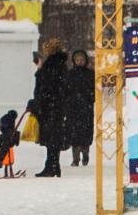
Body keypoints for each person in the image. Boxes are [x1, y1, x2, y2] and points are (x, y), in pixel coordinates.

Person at [28, 41, 74, 177]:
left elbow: (45, 85)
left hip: (50, 107)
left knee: (51, 138)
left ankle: (51, 167)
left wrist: (40, 70)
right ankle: (53, 166)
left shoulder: (51, 65)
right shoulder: (60, 65)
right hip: (56, 107)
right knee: (54, 138)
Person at [64, 49, 96, 168]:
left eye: (82, 60)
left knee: (86, 132)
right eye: (77, 60)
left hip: (86, 108)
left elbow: (94, 90)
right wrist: (68, 102)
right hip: (73, 108)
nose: (80, 62)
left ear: (85, 60)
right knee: (74, 133)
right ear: (74, 61)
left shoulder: (90, 74)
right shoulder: (70, 74)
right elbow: (66, 90)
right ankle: (75, 158)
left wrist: (90, 98)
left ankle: (85, 154)